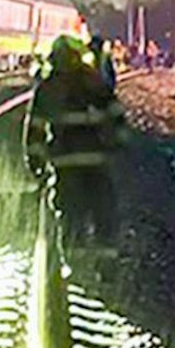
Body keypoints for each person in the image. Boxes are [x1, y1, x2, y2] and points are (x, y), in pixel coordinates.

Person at [31, 34, 126, 249]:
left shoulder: (47, 87)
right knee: (104, 211)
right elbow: (115, 111)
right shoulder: (92, 80)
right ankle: (106, 261)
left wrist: (36, 163)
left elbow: (35, 130)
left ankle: (74, 264)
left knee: (70, 214)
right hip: (95, 157)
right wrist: (118, 141)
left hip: (64, 159)